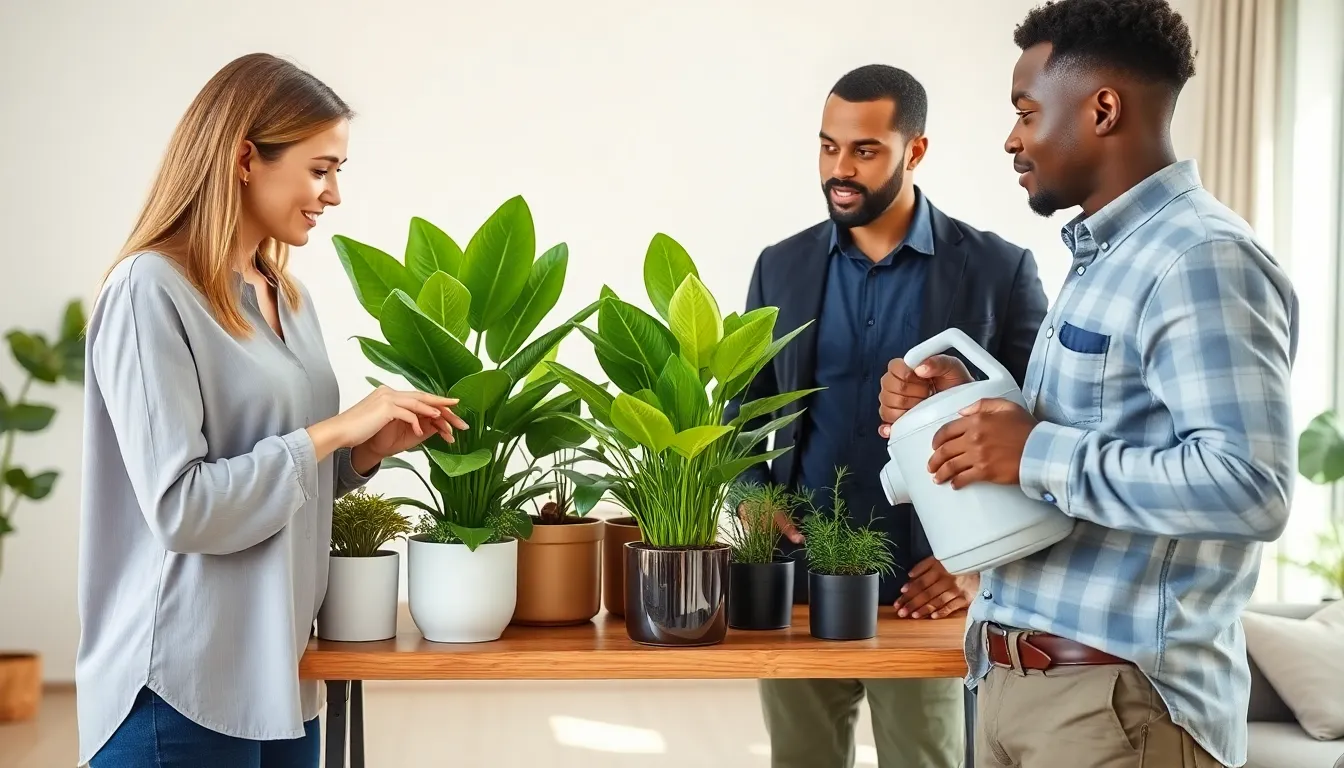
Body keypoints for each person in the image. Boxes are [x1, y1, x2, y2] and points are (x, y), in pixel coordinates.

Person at [878, 2, 1299, 766]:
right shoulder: (1104, 258)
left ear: (1103, 108)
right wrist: (961, 405)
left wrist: (1035, 450)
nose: (1011, 138)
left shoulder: (1199, 258)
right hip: (1018, 688)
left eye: (1027, 112)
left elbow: (1251, 485)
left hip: (1118, 708)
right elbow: (1083, 438)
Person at [76, 53, 469, 768]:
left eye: (339, 169)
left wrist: (363, 452)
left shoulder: (286, 297)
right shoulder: (149, 291)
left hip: (281, 677)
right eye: (321, 169)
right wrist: (334, 428)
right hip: (180, 684)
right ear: (245, 158)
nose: (335, 194)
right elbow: (185, 509)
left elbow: (281, 473)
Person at [726, 64, 1048, 768]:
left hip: (925, 593)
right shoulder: (778, 268)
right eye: (828, 146)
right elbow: (741, 411)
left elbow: (1044, 435)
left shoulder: (1000, 269)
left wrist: (976, 575)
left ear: (915, 151)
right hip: (801, 584)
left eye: (864, 150)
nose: (839, 169)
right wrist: (751, 496)